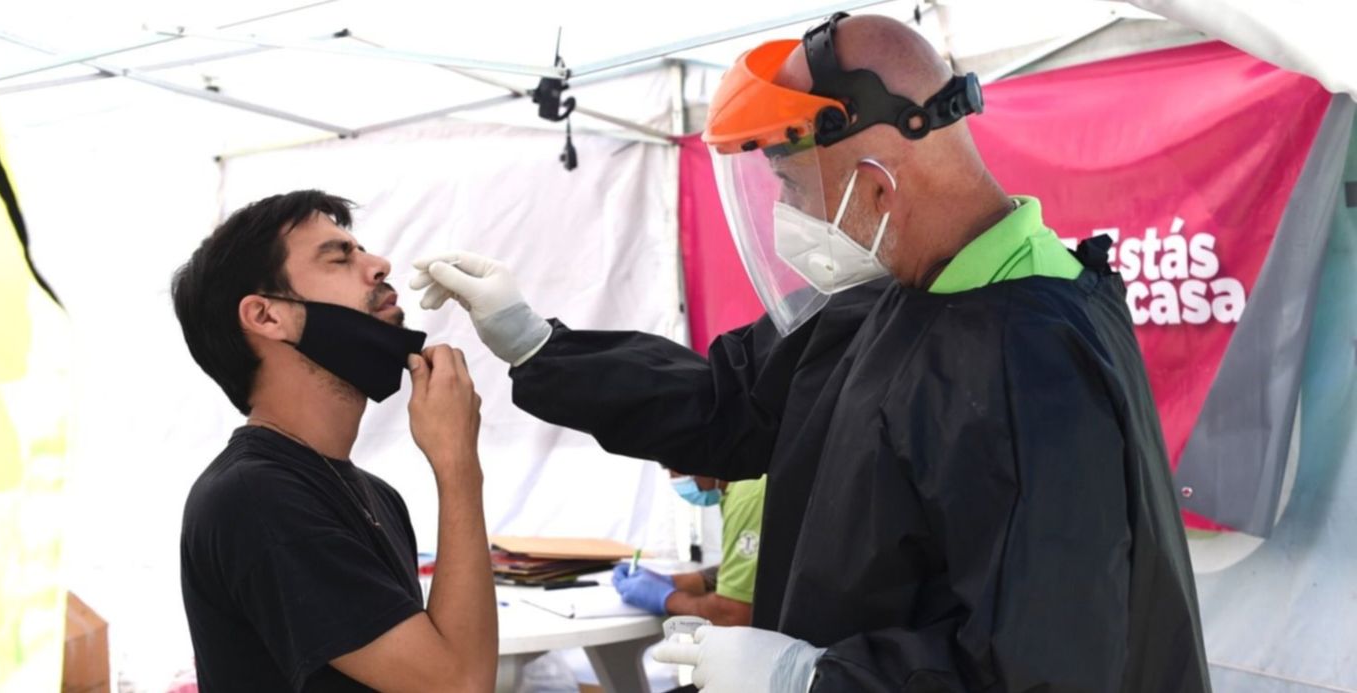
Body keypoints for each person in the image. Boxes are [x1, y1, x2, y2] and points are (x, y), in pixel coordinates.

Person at [410, 13, 1209, 693]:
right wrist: (534, 341)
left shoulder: (1028, 354)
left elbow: (1044, 663)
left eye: (793, 191)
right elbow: (726, 405)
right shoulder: (893, 297)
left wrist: (806, 675)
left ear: (877, 188)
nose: (789, 218)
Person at [172, 190, 496, 692]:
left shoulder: (375, 494)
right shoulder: (254, 497)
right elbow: (458, 686)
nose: (380, 265)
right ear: (266, 316)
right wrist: (457, 466)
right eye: (339, 257)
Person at [612, 473, 766, 627]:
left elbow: (734, 615)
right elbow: (758, 568)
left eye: (672, 465)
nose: (672, 476)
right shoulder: (744, 486)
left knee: (655, 651)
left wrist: (667, 599)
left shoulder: (747, 497)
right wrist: (678, 582)